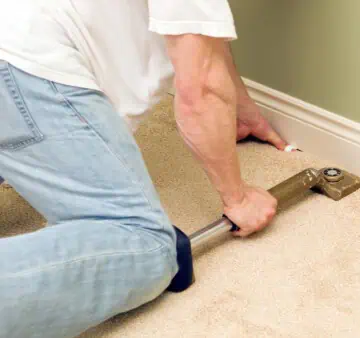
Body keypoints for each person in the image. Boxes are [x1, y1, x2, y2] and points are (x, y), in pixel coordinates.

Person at [0, 1, 289, 337]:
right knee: (144, 242)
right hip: (23, 68)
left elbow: (201, 37)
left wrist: (241, 107)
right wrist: (237, 198)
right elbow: (200, 91)